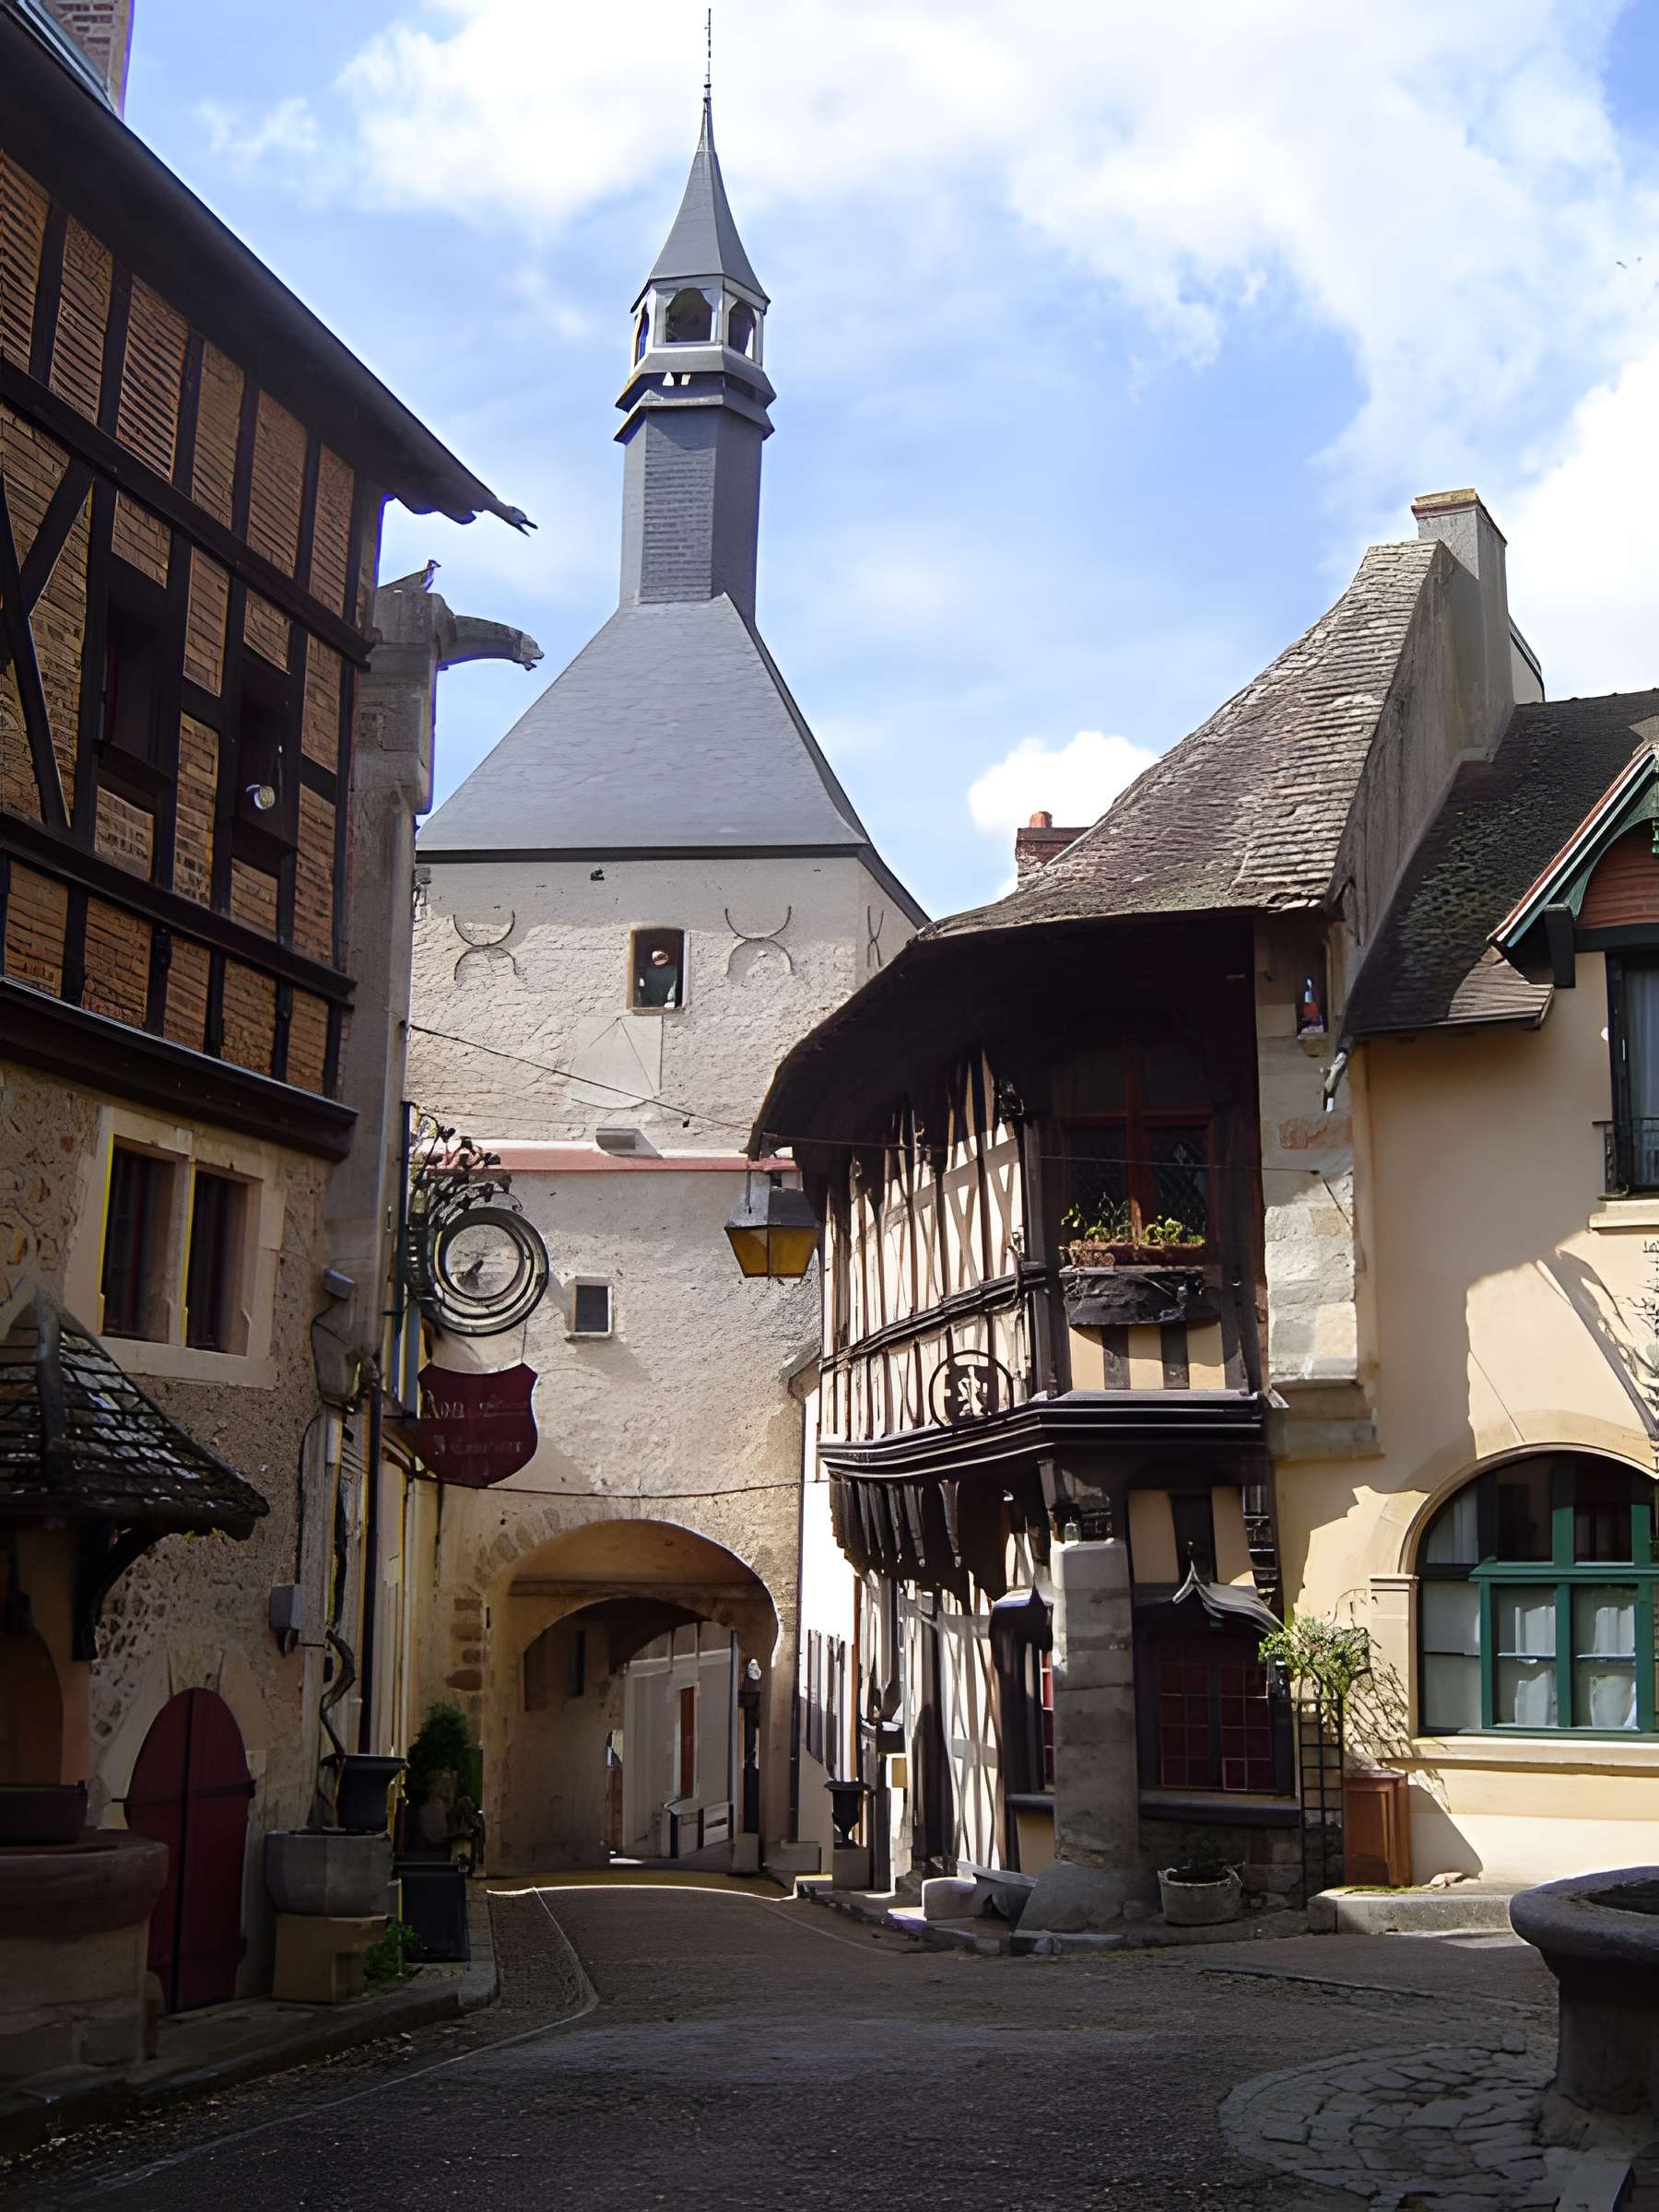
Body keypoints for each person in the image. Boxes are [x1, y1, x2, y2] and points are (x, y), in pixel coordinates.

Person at [636, 943, 680, 1007]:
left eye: (662, 956)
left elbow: (675, 986)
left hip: (669, 1004)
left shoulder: (673, 970)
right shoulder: (646, 971)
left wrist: (671, 1000)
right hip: (650, 1004)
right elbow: (641, 989)